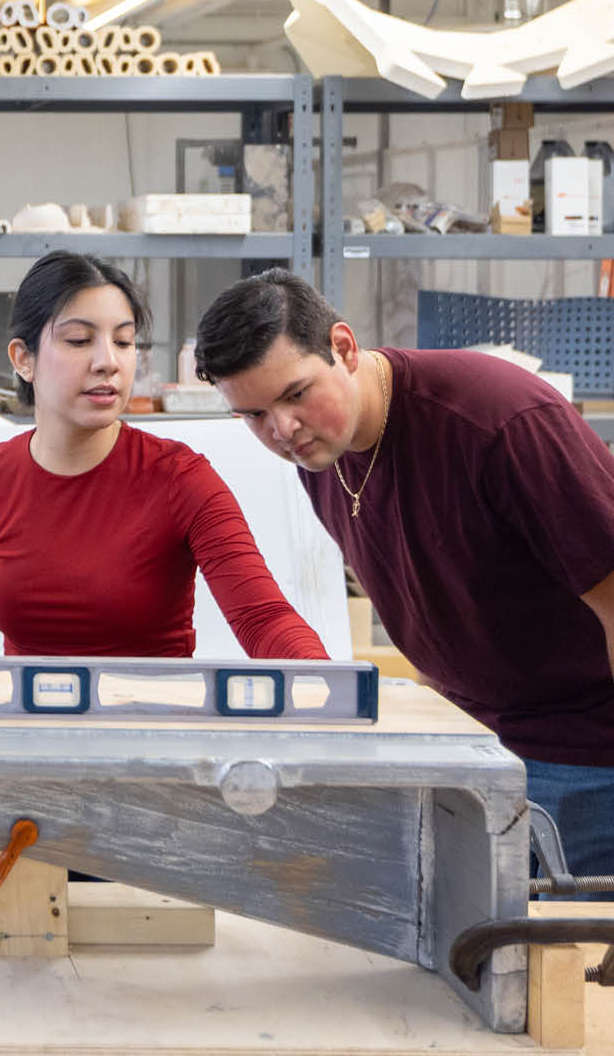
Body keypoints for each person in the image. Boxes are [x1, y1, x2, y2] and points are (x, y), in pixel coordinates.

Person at [193, 266, 614, 876]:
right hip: (473, 746)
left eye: (295, 394)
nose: (282, 429)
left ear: (343, 347)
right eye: (254, 415)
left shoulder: (497, 420)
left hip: (584, 761)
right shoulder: (320, 452)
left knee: (558, 937)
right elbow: (432, 602)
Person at [0, 252, 327, 855]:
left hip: (155, 795)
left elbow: (264, 620)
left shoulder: (181, 479)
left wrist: (328, 702)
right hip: (24, 791)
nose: (108, 360)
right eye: (79, 340)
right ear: (23, 358)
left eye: (125, 341)